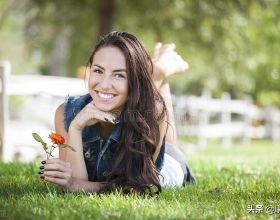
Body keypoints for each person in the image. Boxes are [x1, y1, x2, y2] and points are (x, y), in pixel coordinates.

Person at [38, 31, 194, 194]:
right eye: (98, 71)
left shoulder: (152, 111)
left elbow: (136, 187)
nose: (104, 85)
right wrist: (76, 128)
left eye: (119, 75)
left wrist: (75, 184)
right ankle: (156, 69)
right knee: (151, 97)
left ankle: (161, 68)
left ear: (134, 80)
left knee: (168, 137)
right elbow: (73, 184)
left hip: (166, 168)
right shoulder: (66, 112)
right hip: (141, 97)